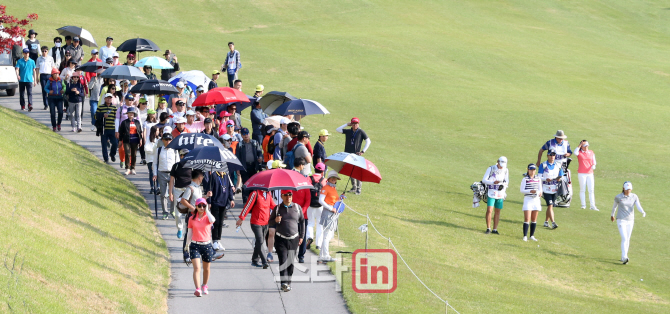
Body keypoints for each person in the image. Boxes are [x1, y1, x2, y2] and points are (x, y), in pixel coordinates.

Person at [269, 190, 305, 292]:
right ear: (282, 196)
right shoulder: (277, 208)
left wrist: (301, 236)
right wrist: (275, 220)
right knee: (283, 261)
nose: (288, 197)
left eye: (290, 195)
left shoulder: (297, 208)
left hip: (294, 239)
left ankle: (288, 282)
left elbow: (302, 221)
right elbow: (270, 221)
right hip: (280, 239)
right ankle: (283, 283)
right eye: (286, 195)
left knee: (291, 263)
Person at [183, 197, 219, 297]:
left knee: (206, 269)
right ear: (196, 206)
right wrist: (187, 245)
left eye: (204, 205)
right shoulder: (191, 218)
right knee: (197, 268)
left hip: (207, 245)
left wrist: (207, 210)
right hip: (195, 245)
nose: (202, 208)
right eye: (200, 206)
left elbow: (213, 220)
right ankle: (198, 289)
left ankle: (204, 285)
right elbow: (189, 233)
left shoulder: (208, 217)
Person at [237, 188, 276, 269]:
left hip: (266, 222)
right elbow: (247, 206)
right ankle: (264, 261)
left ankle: (254, 260)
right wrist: (241, 218)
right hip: (256, 222)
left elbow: (273, 205)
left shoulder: (268, 194)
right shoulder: (255, 193)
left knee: (259, 242)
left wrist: (281, 210)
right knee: (260, 240)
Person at [611, 181, 646, 265]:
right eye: (627, 189)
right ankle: (624, 257)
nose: (628, 191)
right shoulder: (618, 197)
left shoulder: (634, 196)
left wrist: (643, 212)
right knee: (624, 238)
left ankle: (623, 256)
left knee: (628, 239)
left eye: (629, 189)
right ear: (623, 188)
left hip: (630, 220)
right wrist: (612, 215)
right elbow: (614, 207)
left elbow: (638, 205)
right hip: (621, 219)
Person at [336, 117, 371, 194]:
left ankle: (359, 189)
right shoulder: (349, 131)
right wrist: (346, 124)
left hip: (357, 155)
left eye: (356, 123)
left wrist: (363, 151)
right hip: (348, 154)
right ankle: (354, 187)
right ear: (351, 124)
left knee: (357, 172)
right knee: (351, 171)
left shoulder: (361, 132)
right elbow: (337, 129)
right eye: (353, 123)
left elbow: (368, 141)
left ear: (358, 124)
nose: (355, 125)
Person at [203, 170, 235, 251]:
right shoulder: (214, 175)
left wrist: (231, 199)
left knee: (221, 222)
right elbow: (209, 189)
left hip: (223, 202)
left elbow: (229, 188)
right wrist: (209, 202)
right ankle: (214, 241)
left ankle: (218, 240)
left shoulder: (226, 175)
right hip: (215, 202)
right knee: (215, 222)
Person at [153, 133, 180, 219]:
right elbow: (155, 163)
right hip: (162, 173)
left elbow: (178, 164)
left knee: (174, 193)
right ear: (163, 140)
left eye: (169, 140)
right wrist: (155, 174)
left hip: (173, 174)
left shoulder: (175, 151)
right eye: (166, 140)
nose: (168, 141)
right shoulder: (159, 150)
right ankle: (165, 212)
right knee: (163, 194)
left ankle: (172, 210)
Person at [318, 170, 342, 263]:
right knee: (326, 235)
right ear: (329, 179)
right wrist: (330, 208)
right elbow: (321, 200)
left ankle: (321, 256)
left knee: (327, 235)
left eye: (335, 178)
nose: (334, 179)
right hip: (328, 212)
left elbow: (334, 200)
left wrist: (340, 198)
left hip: (333, 213)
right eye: (332, 178)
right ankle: (326, 255)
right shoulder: (326, 188)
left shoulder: (333, 189)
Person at [291, 158, 311, 263]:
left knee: (301, 235)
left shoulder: (305, 182)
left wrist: (302, 211)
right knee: (293, 235)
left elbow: (308, 199)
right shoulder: (292, 181)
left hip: (301, 214)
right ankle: (294, 255)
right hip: (294, 213)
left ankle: (301, 255)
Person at [235, 128, 264, 204]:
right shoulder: (240, 145)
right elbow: (237, 157)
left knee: (253, 184)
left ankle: (253, 201)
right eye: (244, 134)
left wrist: (260, 157)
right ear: (241, 135)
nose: (246, 135)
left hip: (253, 167)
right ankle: (245, 201)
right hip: (244, 167)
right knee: (246, 184)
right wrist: (237, 168)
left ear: (249, 134)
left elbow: (259, 152)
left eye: (247, 133)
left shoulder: (255, 143)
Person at [482, 157, 509, 234]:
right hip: (491, 192)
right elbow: (484, 180)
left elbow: (507, 181)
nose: (502, 166)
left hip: (500, 193)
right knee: (489, 210)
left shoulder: (506, 170)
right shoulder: (491, 168)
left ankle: (495, 229)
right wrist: (493, 182)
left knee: (497, 211)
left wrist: (503, 185)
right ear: (497, 162)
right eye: (500, 164)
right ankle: (488, 228)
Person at [539, 149, 564, 229]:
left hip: (555, 189)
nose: (552, 157)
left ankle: (546, 222)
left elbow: (561, 175)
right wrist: (546, 179)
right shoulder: (543, 165)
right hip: (546, 189)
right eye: (551, 155)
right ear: (547, 155)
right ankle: (553, 222)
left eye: (553, 155)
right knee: (550, 205)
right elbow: (539, 177)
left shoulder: (558, 165)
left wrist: (559, 179)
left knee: (550, 206)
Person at [170, 149, 193, 238]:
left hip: (188, 190)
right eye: (184, 155)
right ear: (181, 156)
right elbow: (171, 180)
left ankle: (188, 229)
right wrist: (170, 193)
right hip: (178, 190)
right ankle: (180, 228)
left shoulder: (192, 166)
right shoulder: (176, 166)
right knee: (178, 213)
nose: (186, 157)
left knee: (189, 211)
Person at [306, 163, 326, 250]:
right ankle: (319, 244)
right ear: (323, 171)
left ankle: (309, 237)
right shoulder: (324, 180)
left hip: (310, 204)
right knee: (319, 224)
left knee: (310, 223)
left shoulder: (308, 178)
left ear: (315, 169)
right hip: (320, 205)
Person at [118, 107, 144, 175]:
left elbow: (140, 131)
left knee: (134, 154)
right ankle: (127, 168)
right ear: (127, 114)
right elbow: (121, 132)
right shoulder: (124, 122)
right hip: (127, 140)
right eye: (129, 113)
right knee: (127, 153)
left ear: (134, 114)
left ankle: (133, 168)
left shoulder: (137, 122)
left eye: (132, 113)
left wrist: (141, 139)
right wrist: (120, 140)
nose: (131, 114)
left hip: (135, 140)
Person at [520, 164, 542, 241]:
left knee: (534, 218)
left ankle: (531, 235)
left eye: (534, 170)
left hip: (536, 199)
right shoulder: (525, 179)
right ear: (528, 170)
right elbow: (522, 190)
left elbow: (540, 188)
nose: (532, 171)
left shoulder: (538, 178)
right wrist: (530, 191)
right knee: (527, 218)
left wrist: (539, 192)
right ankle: (525, 235)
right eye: (531, 170)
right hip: (528, 199)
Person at [574, 140, 598, 210]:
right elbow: (575, 152)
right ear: (582, 146)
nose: (586, 147)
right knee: (582, 190)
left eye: (587, 145)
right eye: (584, 146)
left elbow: (594, 161)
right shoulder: (579, 153)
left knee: (591, 190)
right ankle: (583, 205)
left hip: (590, 173)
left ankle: (592, 206)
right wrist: (579, 145)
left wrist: (593, 165)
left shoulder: (591, 152)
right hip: (581, 173)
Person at [95, 93, 118, 163]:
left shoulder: (114, 108)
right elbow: (95, 116)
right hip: (104, 129)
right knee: (104, 144)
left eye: (110, 98)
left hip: (112, 128)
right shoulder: (101, 107)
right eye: (107, 98)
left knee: (115, 143)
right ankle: (106, 158)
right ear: (104, 99)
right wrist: (102, 115)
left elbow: (117, 118)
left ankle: (112, 154)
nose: (109, 99)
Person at [36, 46, 56, 110]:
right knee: (44, 90)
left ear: (47, 51)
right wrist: (37, 77)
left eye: (45, 51)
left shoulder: (51, 58)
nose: (44, 52)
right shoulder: (39, 59)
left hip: (49, 75)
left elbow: (53, 68)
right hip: (42, 75)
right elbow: (37, 69)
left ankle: (51, 103)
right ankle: (46, 104)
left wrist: (54, 76)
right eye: (43, 51)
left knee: (50, 90)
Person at [144, 110, 158, 191]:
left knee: (157, 174)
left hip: (156, 159)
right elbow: (146, 148)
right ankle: (152, 187)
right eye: (157, 131)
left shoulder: (158, 139)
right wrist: (154, 151)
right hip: (150, 159)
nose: (158, 132)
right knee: (151, 173)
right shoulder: (149, 139)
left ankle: (157, 187)